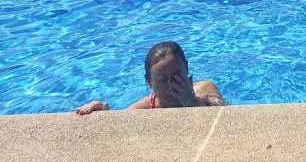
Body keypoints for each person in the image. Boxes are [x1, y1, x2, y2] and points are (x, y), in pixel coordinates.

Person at [75, 41, 226, 114]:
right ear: (150, 83)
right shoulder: (144, 109)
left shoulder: (205, 89)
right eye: (162, 79)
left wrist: (189, 100)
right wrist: (101, 114)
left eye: (177, 75)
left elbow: (223, 121)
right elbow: (117, 131)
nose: (171, 85)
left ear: (186, 69)